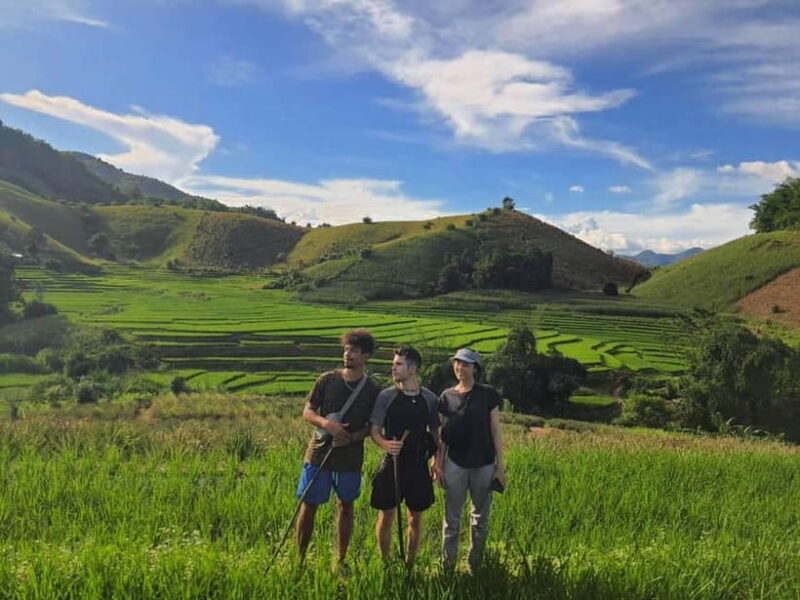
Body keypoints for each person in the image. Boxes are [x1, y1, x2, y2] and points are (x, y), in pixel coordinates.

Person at [295, 329, 381, 567]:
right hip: (318, 453)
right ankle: (299, 559)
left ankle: (340, 560)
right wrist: (327, 425)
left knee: (346, 505)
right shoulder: (327, 380)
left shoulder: (373, 390)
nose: (348, 354)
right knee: (309, 504)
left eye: (354, 351)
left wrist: (352, 438)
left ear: (366, 356)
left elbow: (373, 426)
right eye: (346, 349)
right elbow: (308, 412)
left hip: (350, 458)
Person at [369, 345, 441, 566]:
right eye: (393, 364)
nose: (394, 368)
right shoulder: (386, 397)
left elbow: (435, 433)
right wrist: (385, 444)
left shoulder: (430, 399)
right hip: (392, 463)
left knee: (415, 518)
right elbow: (374, 431)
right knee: (386, 515)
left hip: (418, 465)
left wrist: (437, 461)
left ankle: (410, 563)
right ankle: (385, 562)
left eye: (398, 364)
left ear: (412, 369)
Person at [438, 348, 506, 572]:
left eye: (466, 364)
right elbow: (443, 435)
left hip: (484, 463)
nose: (460, 368)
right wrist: (438, 463)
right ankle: (447, 567)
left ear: (475, 368)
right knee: (451, 519)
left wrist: (500, 467)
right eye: (457, 363)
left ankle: (474, 565)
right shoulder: (446, 396)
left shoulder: (487, 394)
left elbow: (495, 430)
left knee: (480, 518)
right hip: (454, 463)